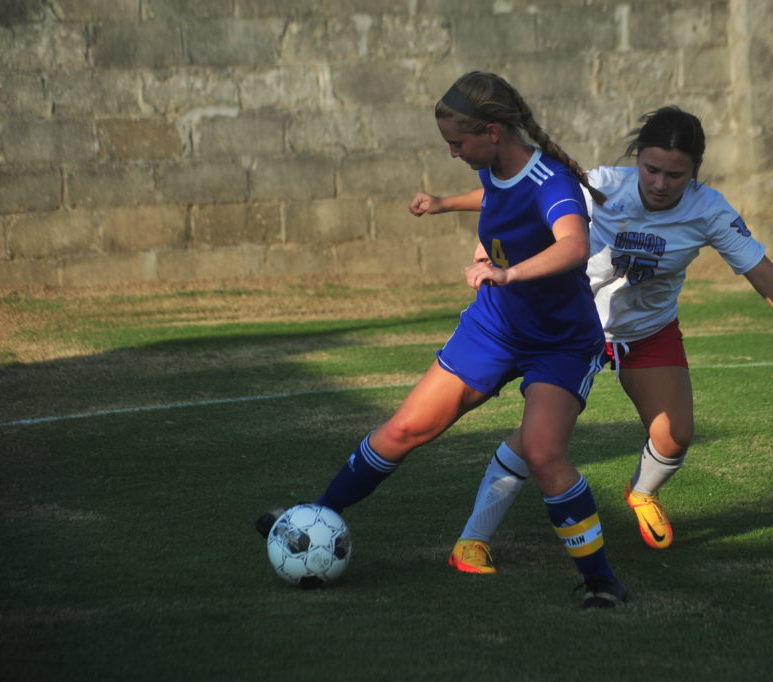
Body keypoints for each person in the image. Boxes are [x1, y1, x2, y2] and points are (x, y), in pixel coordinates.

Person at [260, 71, 628, 608]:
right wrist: (442, 203)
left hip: (561, 342)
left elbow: (573, 245)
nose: (453, 152)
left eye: (458, 142)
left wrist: (508, 272)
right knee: (405, 428)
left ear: (493, 133)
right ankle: (315, 516)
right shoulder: (496, 168)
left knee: (543, 453)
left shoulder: (552, 182)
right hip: (495, 327)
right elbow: (496, 195)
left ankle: (601, 580)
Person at [432, 106, 773, 574]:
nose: (660, 183)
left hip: (649, 331)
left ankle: (642, 492)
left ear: (695, 170)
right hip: (575, 331)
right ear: (637, 158)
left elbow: (762, 271)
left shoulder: (709, 210)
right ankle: (473, 538)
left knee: (676, 436)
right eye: (651, 169)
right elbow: (515, 195)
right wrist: (460, 219)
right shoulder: (600, 186)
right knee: (537, 441)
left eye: (675, 175)